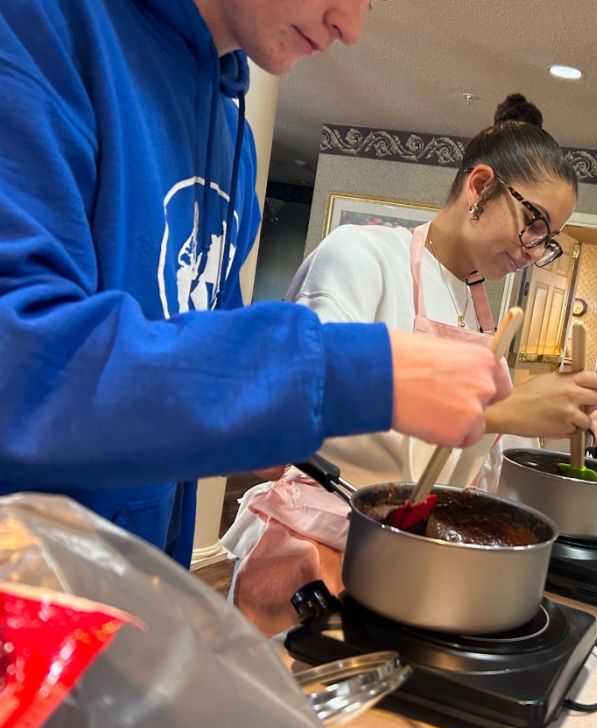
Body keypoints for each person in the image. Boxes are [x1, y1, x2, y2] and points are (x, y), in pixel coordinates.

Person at [0, 0, 508, 566]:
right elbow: (21, 369)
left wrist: (261, 419)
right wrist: (356, 374)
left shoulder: (230, 135)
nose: (351, 26)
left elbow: (200, 348)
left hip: (126, 583)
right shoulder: (34, 29)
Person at [282, 94, 597, 491]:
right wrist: (500, 412)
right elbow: (307, 394)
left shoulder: (484, 325)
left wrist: (561, 429)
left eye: (548, 240)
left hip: (418, 538)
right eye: (534, 224)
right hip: (322, 524)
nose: (534, 250)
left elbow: (486, 473)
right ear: (480, 186)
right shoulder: (363, 255)